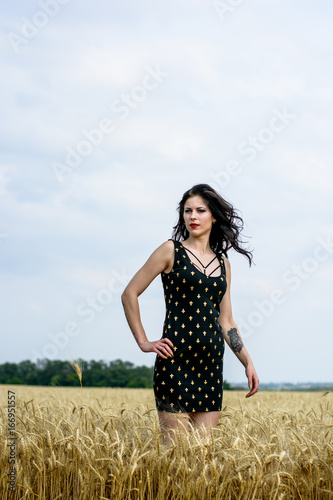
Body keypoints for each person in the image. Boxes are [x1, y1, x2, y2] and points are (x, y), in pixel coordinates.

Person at [121, 184, 259, 442]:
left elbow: (226, 321)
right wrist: (144, 342)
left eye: (200, 210)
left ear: (214, 216)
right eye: (187, 211)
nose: (192, 217)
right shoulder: (170, 250)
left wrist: (247, 362)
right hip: (175, 362)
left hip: (210, 366)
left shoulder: (223, 264)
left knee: (201, 460)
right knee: (176, 458)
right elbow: (129, 294)